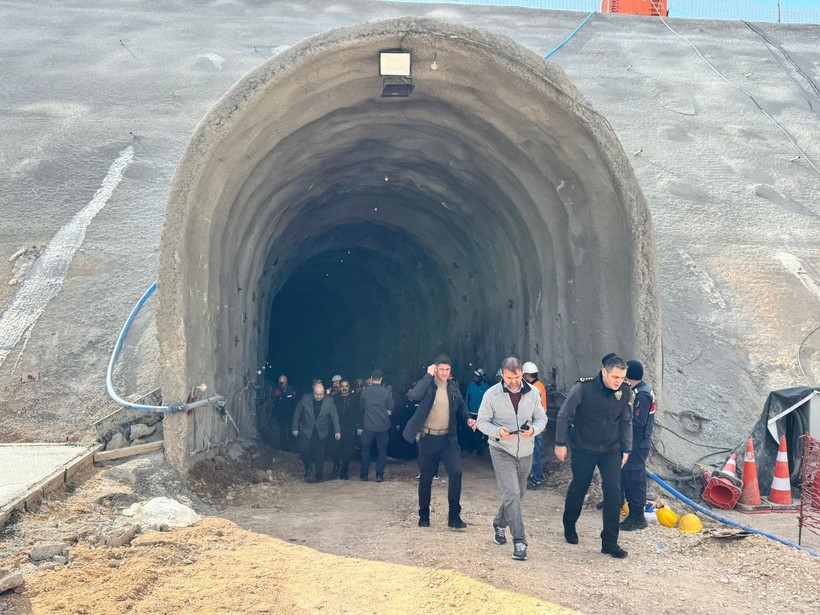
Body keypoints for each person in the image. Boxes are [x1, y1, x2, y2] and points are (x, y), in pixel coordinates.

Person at [555, 355, 634, 558]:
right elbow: (564, 415)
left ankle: (609, 541)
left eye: (622, 377)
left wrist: (627, 449)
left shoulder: (624, 392)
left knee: (614, 493)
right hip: (584, 447)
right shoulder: (583, 389)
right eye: (615, 376)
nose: (619, 381)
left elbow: (626, 421)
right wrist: (560, 443)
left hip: (611, 450)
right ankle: (570, 525)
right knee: (580, 487)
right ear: (604, 372)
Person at [477, 357, 547, 561]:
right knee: (512, 493)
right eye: (509, 378)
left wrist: (533, 429)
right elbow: (482, 422)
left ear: (522, 374)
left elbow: (542, 418)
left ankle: (499, 523)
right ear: (502, 374)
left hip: (526, 450)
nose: (514, 381)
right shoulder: (492, 395)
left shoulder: (533, 393)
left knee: (518, 494)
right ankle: (520, 541)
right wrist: (498, 431)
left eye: (517, 377)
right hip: (501, 449)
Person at [404, 355, 476, 529]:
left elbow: (461, 405)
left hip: (447, 439)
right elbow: (413, 395)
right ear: (435, 369)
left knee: (456, 473)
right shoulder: (427, 385)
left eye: (447, 370)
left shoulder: (453, 386)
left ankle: (454, 517)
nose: (444, 373)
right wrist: (428, 376)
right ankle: (424, 516)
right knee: (426, 479)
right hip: (428, 439)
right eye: (441, 369)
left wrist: (468, 419)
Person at [620, 360, 656, 531]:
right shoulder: (640, 391)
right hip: (634, 443)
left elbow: (638, 422)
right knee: (628, 477)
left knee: (635, 479)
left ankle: (637, 517)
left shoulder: (642, 395)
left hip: (637, 444)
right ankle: (632, 513)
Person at [292, 383, 341, 482]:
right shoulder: (305, 399)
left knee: (320, 454)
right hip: (306, 430)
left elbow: (334, 416)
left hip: (321, 432)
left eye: (321, 394)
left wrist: (337, 431)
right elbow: (297, 413)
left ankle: (319, 476)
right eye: (317, 394)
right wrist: (295, 428)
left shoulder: (330, 401)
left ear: (324, 393)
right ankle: (308, 467)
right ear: (313, 392)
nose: (319, 397)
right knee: (303, 451)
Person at [358, 369, 394, 482]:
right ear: (381, 379)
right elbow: (391, 407)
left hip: (368, 425)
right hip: (383, 425)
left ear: (371, 378)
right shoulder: (386, 392)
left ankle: (364, 474)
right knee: (382, 450)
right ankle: (379, 475)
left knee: (365, 450)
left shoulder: (365, 391)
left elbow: (361, 407)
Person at [522, 362, 548, 490]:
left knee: (534, 453)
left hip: (534, 425)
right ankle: (535, 477)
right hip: (539, 424)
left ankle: (537, 478)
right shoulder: (540, 386)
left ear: (527, 375)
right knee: (534, 451)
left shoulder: (534, 389)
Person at [332, 380, 361, 480]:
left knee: (347, 451)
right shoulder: (335, 398)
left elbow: (359, 412)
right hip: (337, 427)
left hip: (350, 427)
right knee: (334, 449)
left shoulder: (355, 398)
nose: (344, 388)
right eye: (342, 386)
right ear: (339, 387)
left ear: (349, 387)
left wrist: (359, 426)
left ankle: (344, 471)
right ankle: (336, 464)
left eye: (346, 386)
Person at [465, 368, 490, 455]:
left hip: (481, 414)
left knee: (480, 433)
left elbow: (488, 402)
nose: (475, 378)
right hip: (471, 413)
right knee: (470, 431)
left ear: (481, 377)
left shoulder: (486, 387)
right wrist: (466, 410)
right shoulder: (471, 385)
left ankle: (480, 450)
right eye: (474, 376)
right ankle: (470, 448)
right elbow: (467, 398)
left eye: (477, 376)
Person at [271, 374, 299, 451]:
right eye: (280, 383)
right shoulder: (276, 392)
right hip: (281, 414)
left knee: (290, 429)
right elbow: (274, 402)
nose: (282, 384)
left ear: (286, 382)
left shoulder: (292, 391)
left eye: (283, 382)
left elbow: (295, 402)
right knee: (282, 430)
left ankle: (292, 445)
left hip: (290, 413)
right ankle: (283, 445)